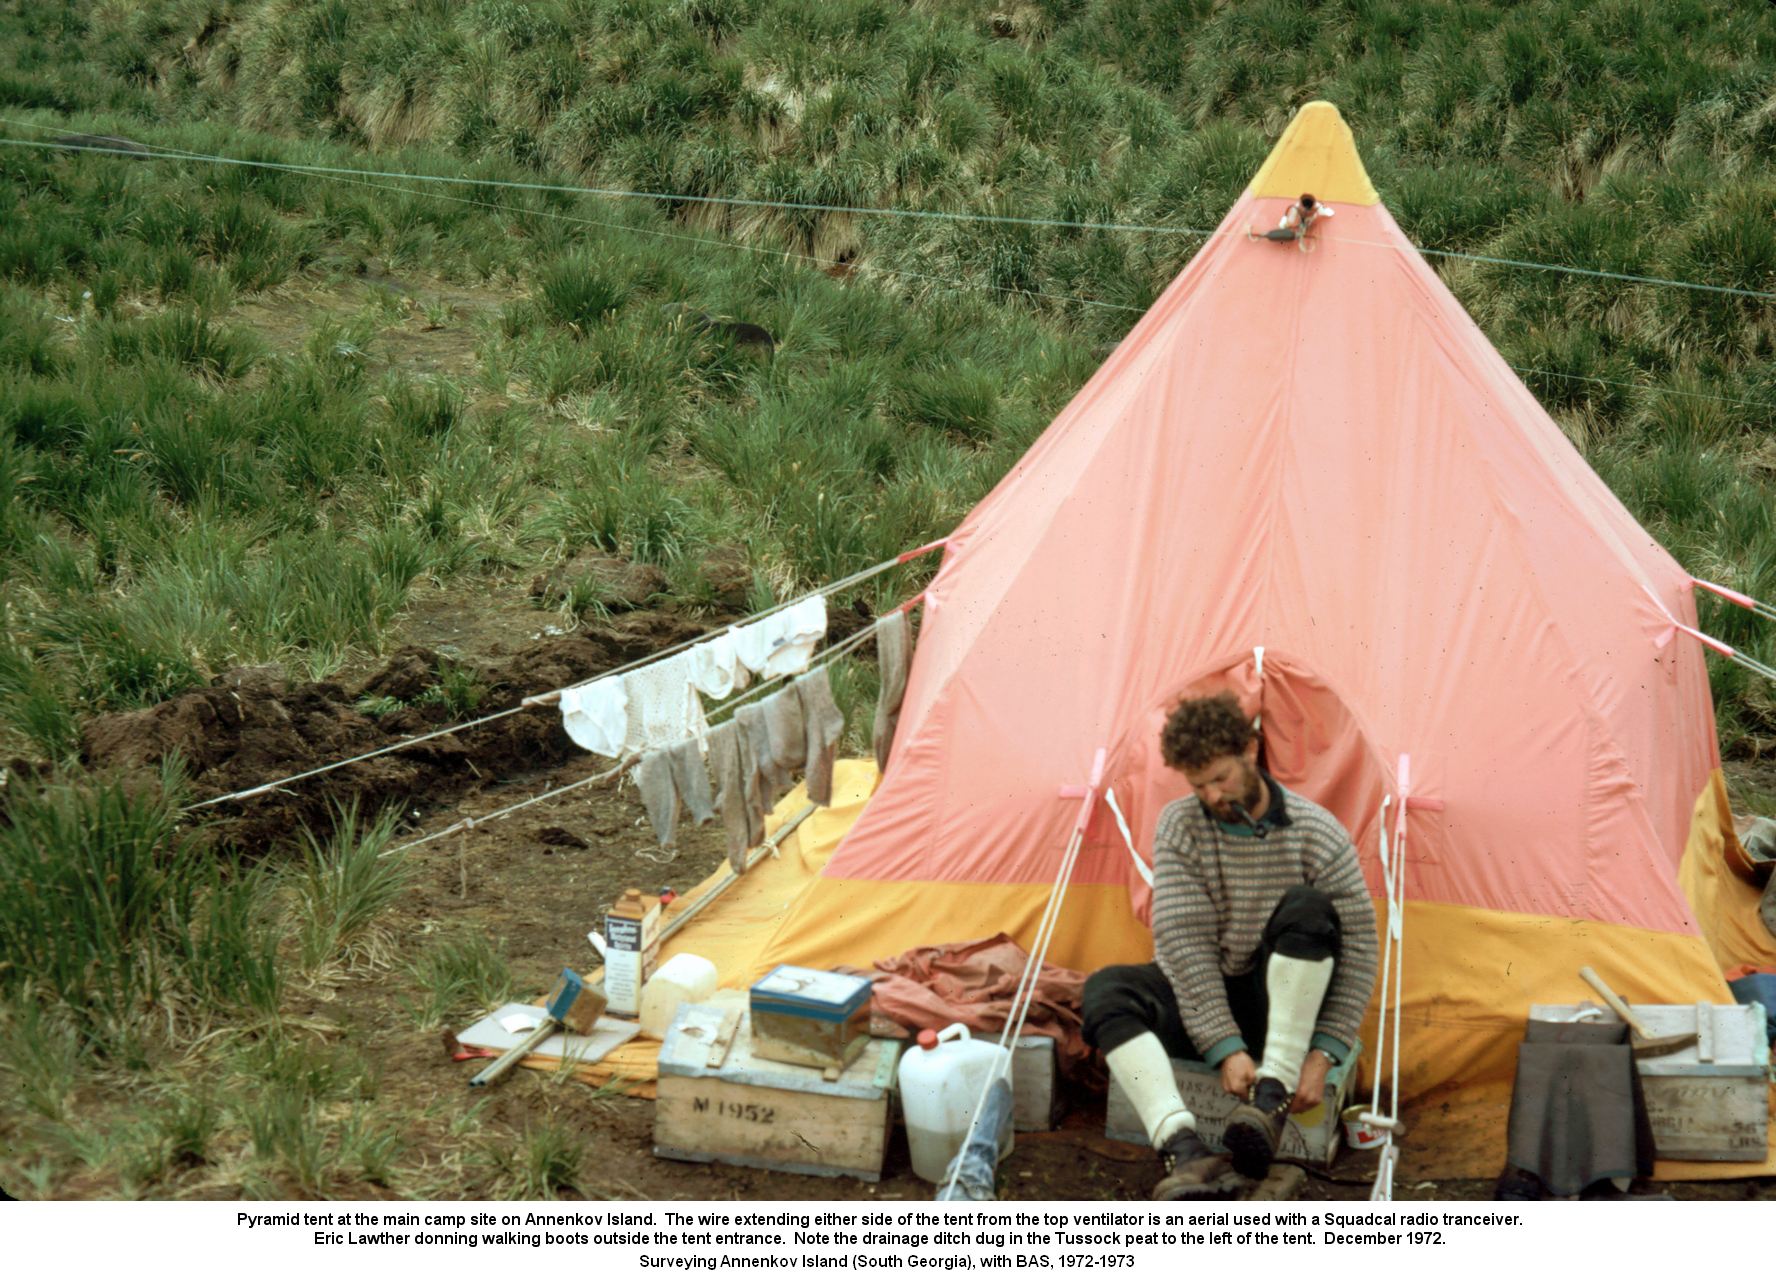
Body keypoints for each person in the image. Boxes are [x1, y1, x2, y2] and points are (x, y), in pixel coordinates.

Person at [1082, 692, 1378, 1199]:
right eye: (1199, 785)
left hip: (1286, 1010)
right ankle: (1185, 1149)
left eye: (1221, 778)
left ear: (1250, 751)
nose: (1214, 795)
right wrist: (1224, 1047)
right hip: (1210, 1005)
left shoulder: (1316, 832)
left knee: (1308, 908)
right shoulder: (1181, 827)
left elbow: (1359, 950)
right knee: (1107, 990)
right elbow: (1182, 941)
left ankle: (1270, 1101)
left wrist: (1325, 1052)